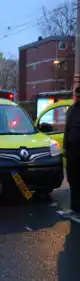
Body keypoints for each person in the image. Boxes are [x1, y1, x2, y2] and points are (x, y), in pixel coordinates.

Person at [63, 87, 80, 216]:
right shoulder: (72, 109)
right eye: (76, 94)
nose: (77, 97)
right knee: (73, 179)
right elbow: (67, 129)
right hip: (72, 150)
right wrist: (65, 147)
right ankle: (74, 208)